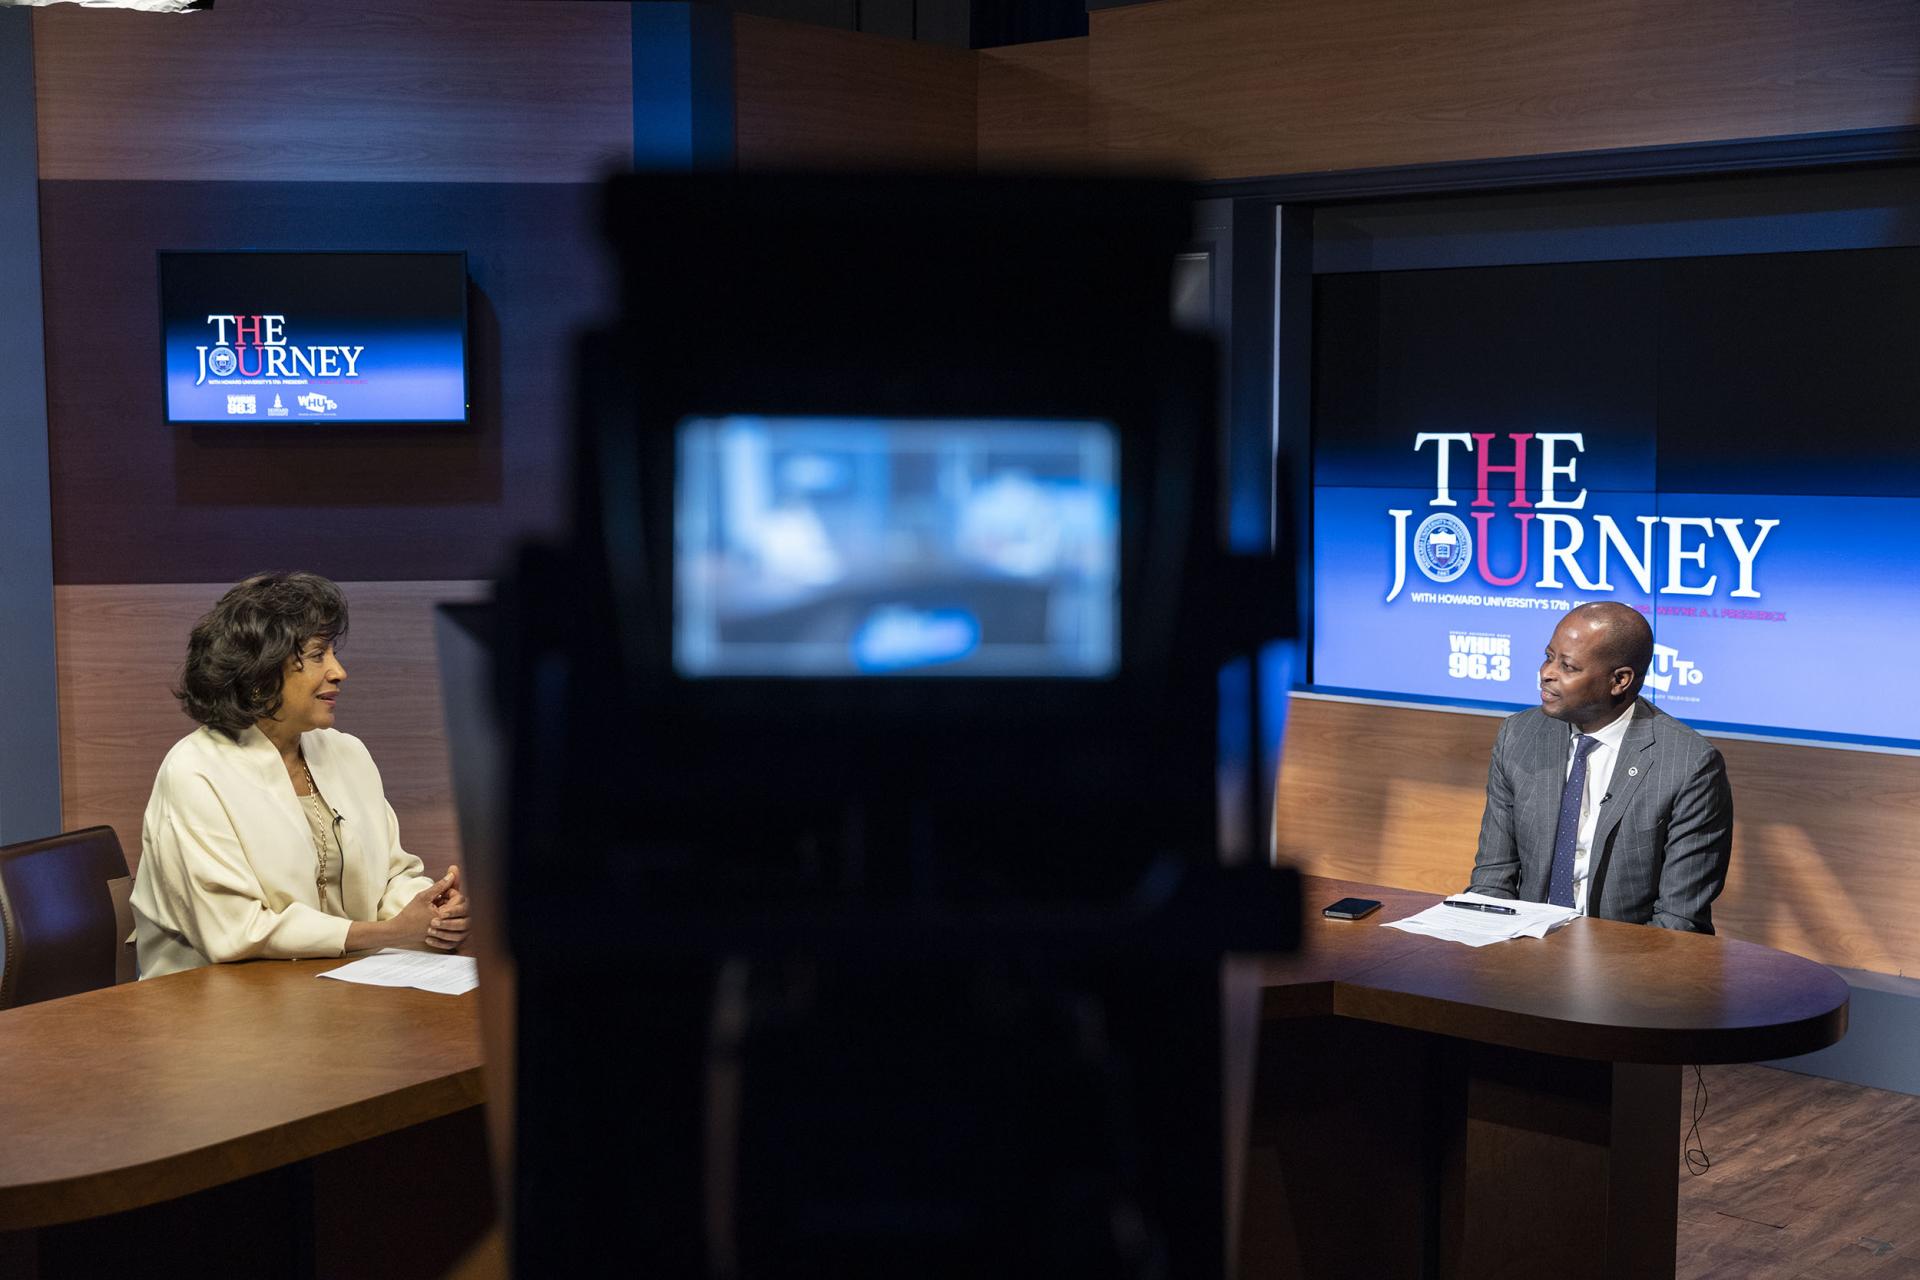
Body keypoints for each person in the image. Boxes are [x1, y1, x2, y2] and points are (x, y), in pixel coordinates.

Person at [131, 572, 470, 977]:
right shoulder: (194, 772)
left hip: (338, 990)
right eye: (317, 655)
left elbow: (392, 875)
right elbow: (235, 931)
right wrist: (387, 932)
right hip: (214, 1005)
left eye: (333, 652)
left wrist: (428, 909)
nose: (339, 671)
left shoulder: (347, 753)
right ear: (259, 674)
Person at [1466, 601, 1732, 932]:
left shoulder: (1689, 765)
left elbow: (1678, 921)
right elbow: (1493, 877)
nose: (1547, 673)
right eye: (1549, 657)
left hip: (1631, 964)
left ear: (1619, 680)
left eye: (1568, 667)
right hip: (1525, 954)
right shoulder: (1519, 735)